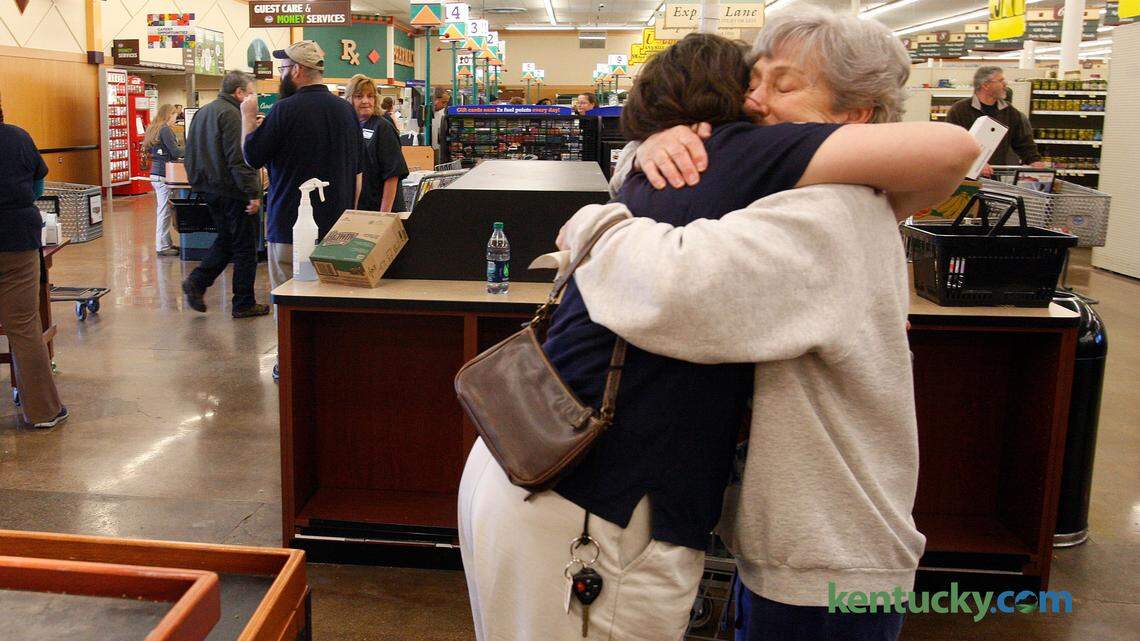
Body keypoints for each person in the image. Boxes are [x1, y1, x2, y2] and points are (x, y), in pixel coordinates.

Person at [459, 12, 979, 641]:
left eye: (783, 86)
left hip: (825, 554)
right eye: (751, 82)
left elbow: (670, 287)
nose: (755, 100)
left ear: (857, 116)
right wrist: (645, 154)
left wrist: (595, 222)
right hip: (750, 532)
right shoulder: (777, 191)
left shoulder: (828, 212)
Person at [240, 40, 364, 293]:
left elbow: (252, 157)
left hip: (290, 230)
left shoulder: (283, 110)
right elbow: (358, 172)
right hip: (337, 232)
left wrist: (247, 117)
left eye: (283, 69)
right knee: (330, 306)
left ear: (296, 70)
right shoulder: (346, 111)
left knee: (289, 310)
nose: (281, 75)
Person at [0, 91, 68, 429]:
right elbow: (38, 188)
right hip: (16, 241)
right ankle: (43, 412)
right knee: (23, 326)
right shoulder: (17, 137)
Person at [181, 71, 268, 318]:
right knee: (245, 248)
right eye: (251, 93)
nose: (254, 99)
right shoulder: (233, 115)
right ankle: (243, 302)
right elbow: (238, 158)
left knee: (228, 240)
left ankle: (197, 282)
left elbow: (191, 151)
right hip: (233, 190)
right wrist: (253, 193)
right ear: (239, 93)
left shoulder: (204, 112)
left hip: (208, 188)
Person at [946, 66, 1044, 177]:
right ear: (985, 85)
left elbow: (1023, 142)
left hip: (995, 174)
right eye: (1001, 80)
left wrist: (1034, 160)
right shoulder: (960, 110)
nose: (1005, 84)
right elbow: (953, 144)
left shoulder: (1009, 112)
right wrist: (976, 163)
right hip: (963, 176)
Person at [346, 75, 410, 212]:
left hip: (379, 209)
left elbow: (392, 174)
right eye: (359, 96)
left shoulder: (382, 127)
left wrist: (383, 215)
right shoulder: (349, 127)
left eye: (370, 96)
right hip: (358, 208)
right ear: (349, 99)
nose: (365, 101)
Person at [143, 104, 183, 256]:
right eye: (174, 115)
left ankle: (166, 243)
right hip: (163, 175)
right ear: (168, 115)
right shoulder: (165, 129)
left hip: (156, 173)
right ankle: (161, 246)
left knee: (164, 209)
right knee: (164, 211)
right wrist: (192, 148)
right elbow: (175, 152)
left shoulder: (154, 128)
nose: (175, 118)